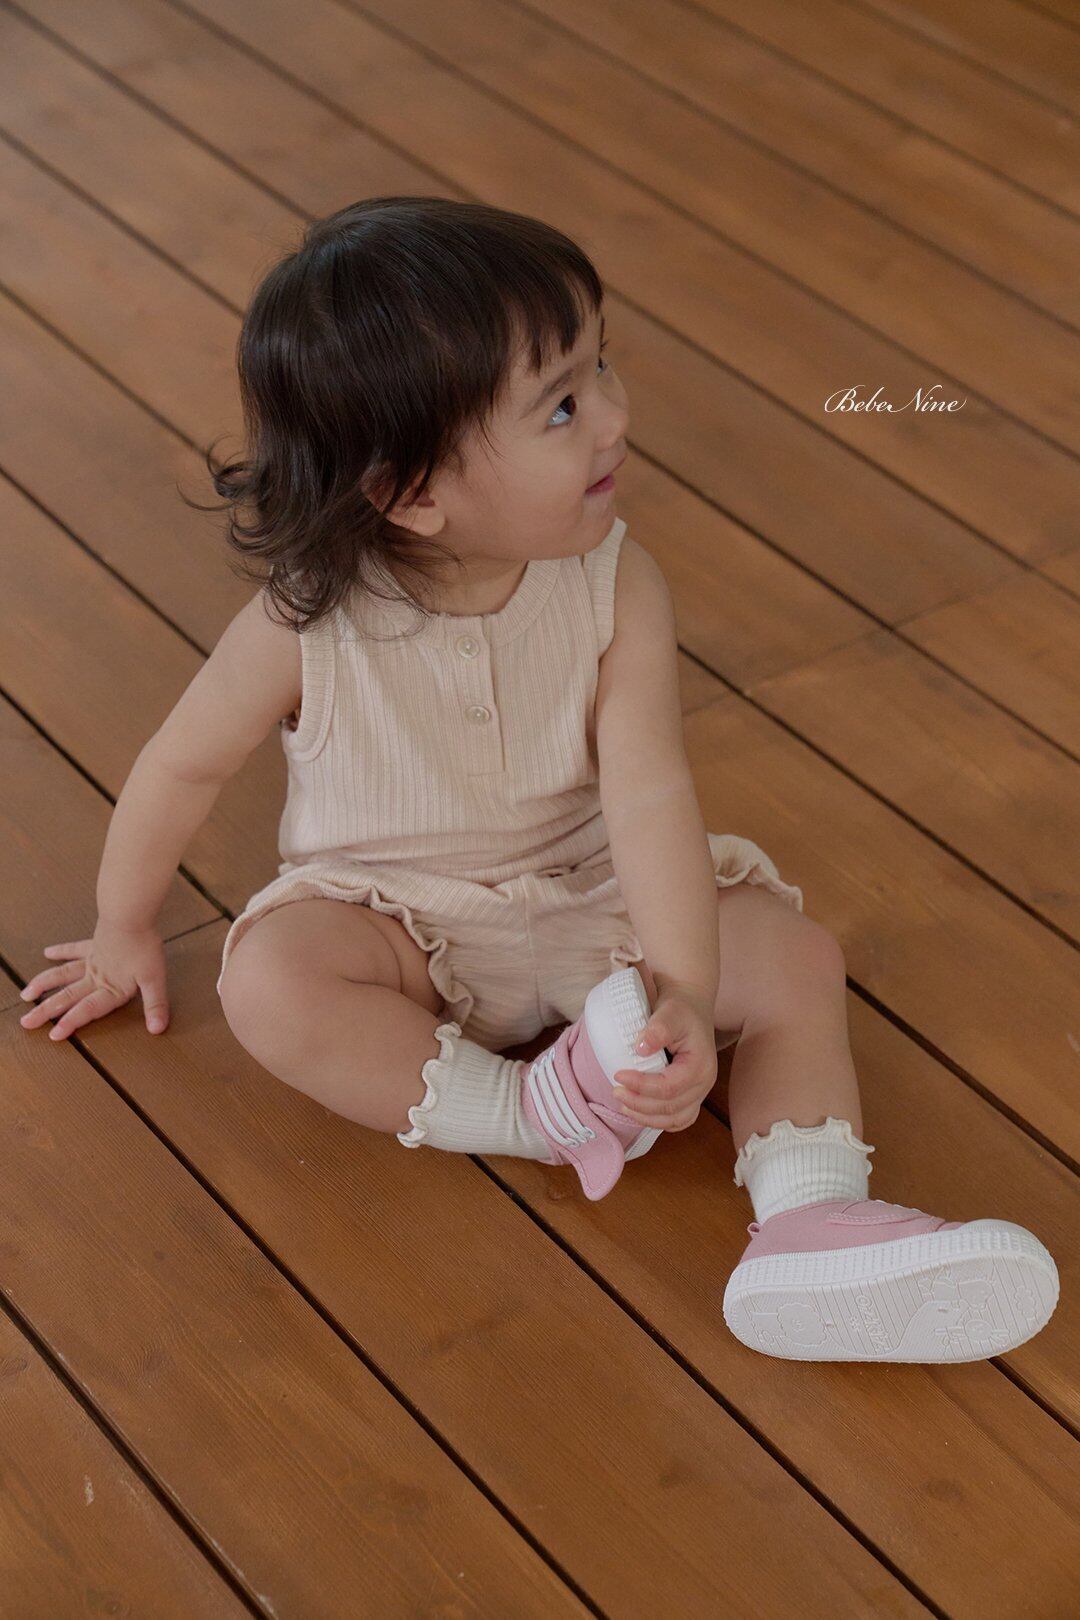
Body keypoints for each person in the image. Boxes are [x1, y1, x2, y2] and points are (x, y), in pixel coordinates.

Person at [18, 197, 1057, 1364]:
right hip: (398, 925)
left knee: (795, 960)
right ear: (413, 494)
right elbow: (182, 765)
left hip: (593, 903)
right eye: (562, 405)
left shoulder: (615, 582)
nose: (614, 415)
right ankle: (535, 1112)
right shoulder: (302, 626)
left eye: (600, 364)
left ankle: (811, 1218)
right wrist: (122, 927)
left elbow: (650, 795)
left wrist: (681, 986)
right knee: (270, 985)